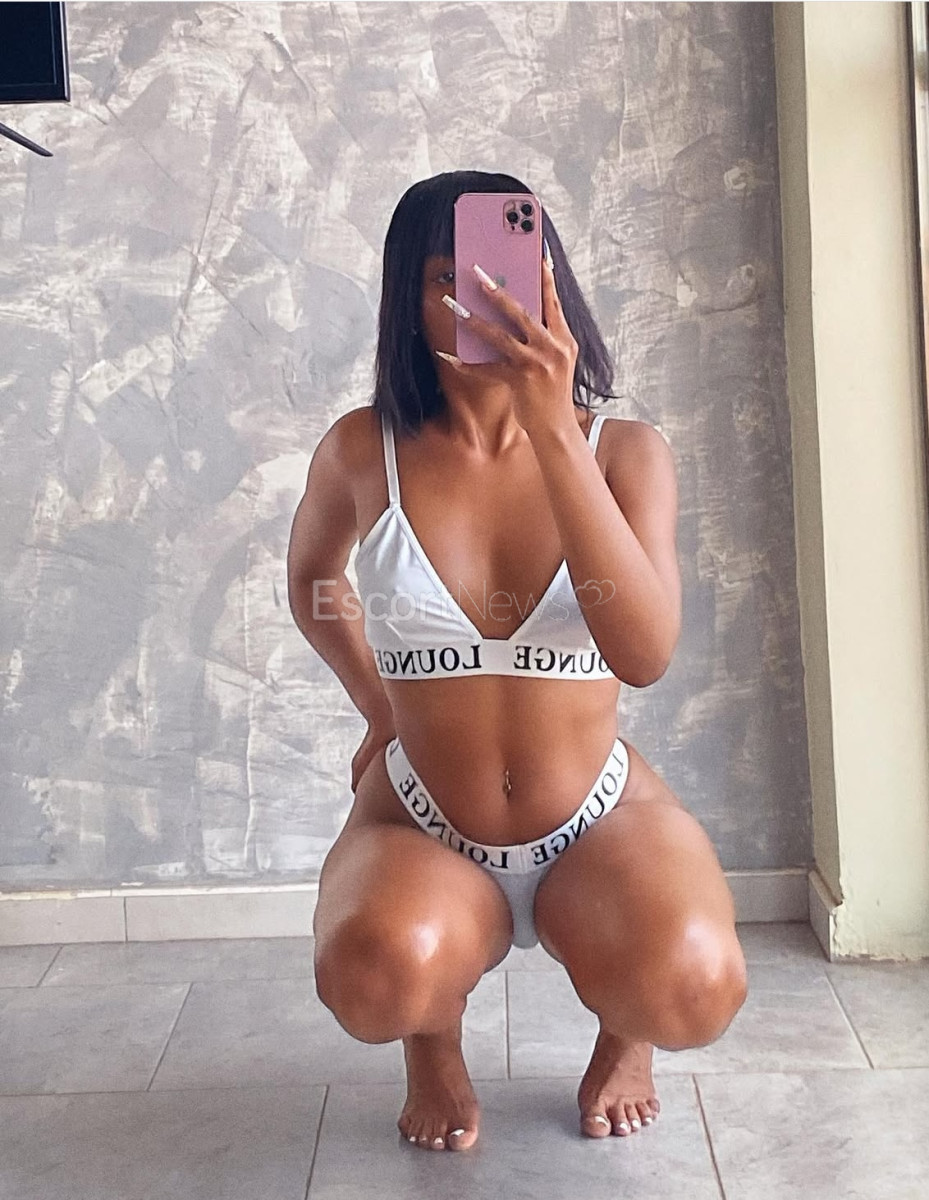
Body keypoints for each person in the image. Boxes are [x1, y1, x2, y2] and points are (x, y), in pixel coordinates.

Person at [287, 170, 748, 1153]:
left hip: (594, 816)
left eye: (503, 274)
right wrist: (377, 706)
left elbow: (643, 652)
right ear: (407, 300)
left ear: (549, 283)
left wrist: (549, 426)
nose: (480, 301)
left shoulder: (623, 453)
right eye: (446, 280)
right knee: (371, 979)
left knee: (695, 987)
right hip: (421, 816)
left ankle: (626, 1035)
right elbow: (313, 582)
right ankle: (430, 1042)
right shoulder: (363, 450)